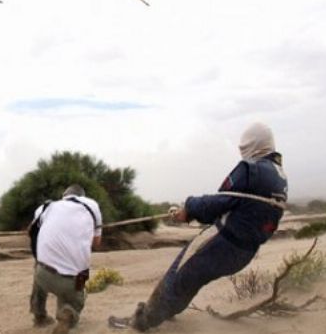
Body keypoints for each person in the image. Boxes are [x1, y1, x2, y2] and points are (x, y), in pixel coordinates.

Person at [108, 122, 289, 331]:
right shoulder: (280, 177)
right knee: (190, 281)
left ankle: (141, 322)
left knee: (176, 277)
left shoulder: (251, 169)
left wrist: (189, 208)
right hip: (245, 252)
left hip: (221, 242)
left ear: (253, 145)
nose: (241, 152)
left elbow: (219, 203)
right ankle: (164, 312)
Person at [30, 185, 102, 334]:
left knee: (39, 265)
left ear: (64, 196)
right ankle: (68, 314)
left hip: (43, 274)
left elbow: (31, 231)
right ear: (82, 195)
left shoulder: (46, 207)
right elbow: (96, 243)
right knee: (78, 294)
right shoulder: (92, 205)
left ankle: (39, 316)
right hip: (74, 277)